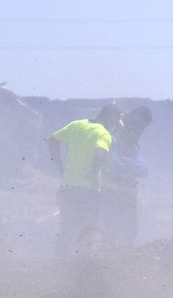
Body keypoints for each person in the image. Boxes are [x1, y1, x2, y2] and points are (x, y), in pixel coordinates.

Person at [48, 104, 122, 257]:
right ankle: (81, 266)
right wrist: (93, 173)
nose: (117, 123)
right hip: (88, 191)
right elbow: (101, 153)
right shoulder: (103, 134)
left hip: (67, 188)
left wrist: (59, 164)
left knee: (66, 230)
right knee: (87, 232)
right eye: (116, 120)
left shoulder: (76, 125)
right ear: (110, 117)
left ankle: (59, 265)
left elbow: (52, 140)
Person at [101, 106, 152, 246]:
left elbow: (144, 170)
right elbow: (112, 164)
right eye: (134, 129)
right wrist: (129, 165)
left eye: (138, 130)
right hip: (110, 192)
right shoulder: (111, 139)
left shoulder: (134, 145)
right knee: (110, 230)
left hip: (127, 195)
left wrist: (125, 163)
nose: (135, 133)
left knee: (130, 231)